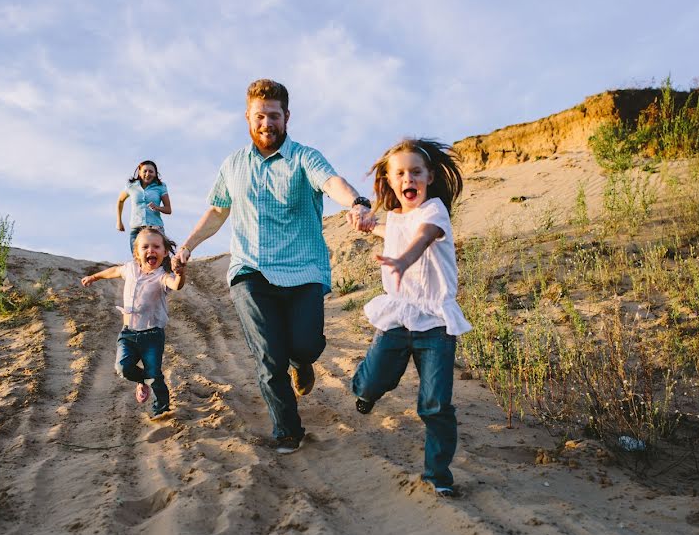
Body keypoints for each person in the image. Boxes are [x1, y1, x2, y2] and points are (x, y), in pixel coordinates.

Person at [173, 78, 375, 454]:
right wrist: (187, 245)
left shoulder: (304, 157)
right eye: (260, 116)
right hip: (250, 271)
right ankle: (287, 429)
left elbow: (332, 183)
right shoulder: (233, 164)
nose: (267, 123)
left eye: (275, 116)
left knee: (306, 345)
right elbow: (218, 211)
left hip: (303, 270)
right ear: (248, 117)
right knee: (269, 356)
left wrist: (357, 202)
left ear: (287, 117)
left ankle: (303, 361)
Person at [350, 138, 470, 498]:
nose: (409, 178)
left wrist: (404, 260)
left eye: (416, 172)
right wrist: (371, 227)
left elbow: (422, 236)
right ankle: (366, 392)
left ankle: (438, 475)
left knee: (435, 404)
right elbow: (397, 229)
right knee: (372, 383)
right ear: (389, 182)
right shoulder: (396, 218)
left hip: (435, 323)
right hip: (399, 317)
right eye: (400, 173)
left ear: (430, 176)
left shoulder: (434, 212)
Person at [81, 227, 186, 418]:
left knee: (155, 374)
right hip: (128, 333)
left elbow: (176, 285)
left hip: (153, 335)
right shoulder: (130, 269)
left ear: (164, 252)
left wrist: (180, 273)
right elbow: (114, 271)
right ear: (136, 252)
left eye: (156, 246)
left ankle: (161, 408)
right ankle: (141, 380)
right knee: (122, 367)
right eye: (145, 246)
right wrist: (94, 277)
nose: (150, 250)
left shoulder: (162, 276)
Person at [117, 160, 172, 253]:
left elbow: (168, 209)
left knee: (159, 260)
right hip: (136, 229)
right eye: (145, 171)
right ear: (139, 172)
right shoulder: (131, 186)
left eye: (151, 171)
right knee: (137, 259)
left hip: (155, 229)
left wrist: (157, 207)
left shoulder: (160, 186)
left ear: (155, 174)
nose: (148, 174)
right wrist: (119, 221)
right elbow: (120, 201)